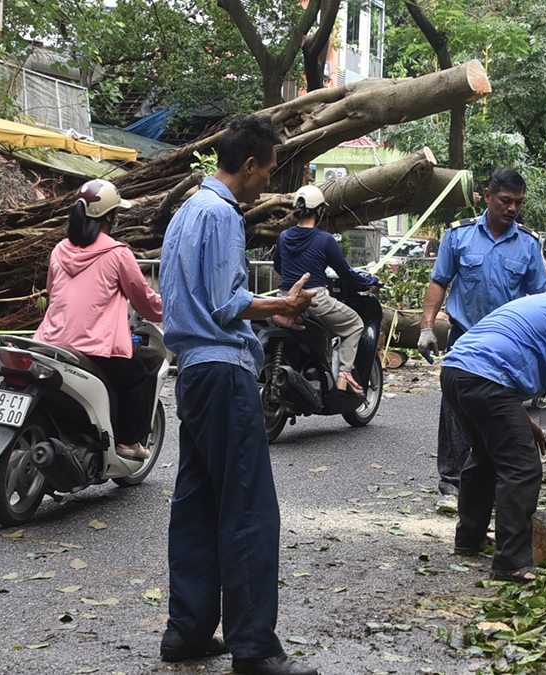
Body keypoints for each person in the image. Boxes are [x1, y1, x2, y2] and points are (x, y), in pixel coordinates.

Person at [158, 114, 320, 675]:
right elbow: (228, 303)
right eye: (268, 172)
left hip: (192, 375)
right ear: (248, 166)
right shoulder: (222, 214)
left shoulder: (183, 213)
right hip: (225, 372)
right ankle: (254, 648)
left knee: (198, 506)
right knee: (249, 507)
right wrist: (283, 304)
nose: (268, 184)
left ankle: (186, 631)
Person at [442, 269, 546, 582]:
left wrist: (527, 422)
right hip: (485, 379)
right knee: (523, 468)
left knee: (485, 456)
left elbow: (502, 359)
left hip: (455, 372)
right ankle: (512, 563)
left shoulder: (538, 302)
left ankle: (469, 539)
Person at [416, 168, 546, 500]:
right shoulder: (458, 235)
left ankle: (492, 476)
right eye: (506, 200)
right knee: (455, 407)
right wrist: (426, 327)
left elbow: (539, 298)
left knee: (502, 406)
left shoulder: (528, 244)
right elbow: (439, 281)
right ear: (488, 196)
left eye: (518, 203)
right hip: (465, 335)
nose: (512, 208)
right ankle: (452, 477)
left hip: (507, 342)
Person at [34, 178, 163, 460]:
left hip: (49, 343)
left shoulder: (59, 250)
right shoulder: (117, 253)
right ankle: (128, 442)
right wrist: (169, 309)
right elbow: (143, 299)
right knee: (141, 375)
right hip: (94, 347)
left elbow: (53, 292)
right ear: (109, 218)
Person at [273, 184, 379, 393]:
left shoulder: (284, 236)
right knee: (355, 324)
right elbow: (345, 273)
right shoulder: (325, 239)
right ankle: (344, 374)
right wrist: (369, 281)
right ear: (319, 210)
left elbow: (279, 266)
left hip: (284, 298)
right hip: (314, 299)